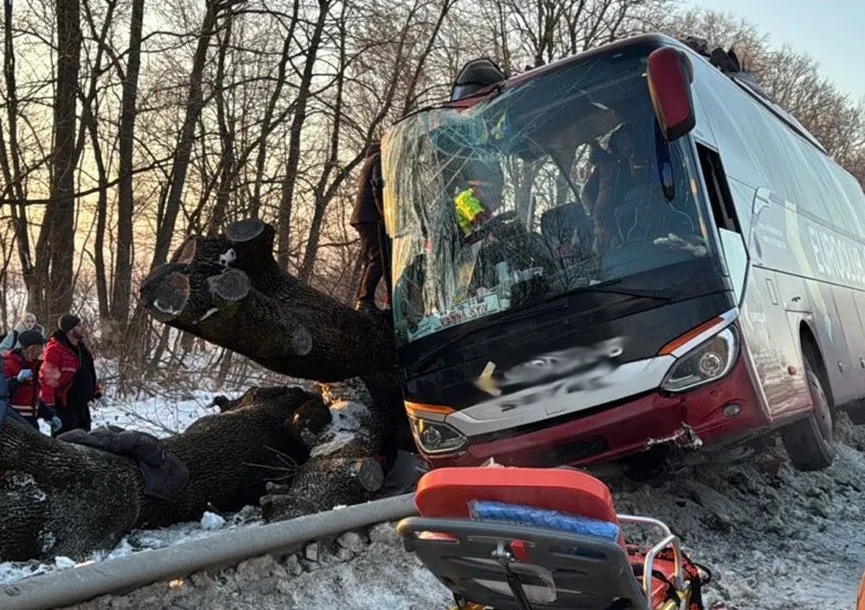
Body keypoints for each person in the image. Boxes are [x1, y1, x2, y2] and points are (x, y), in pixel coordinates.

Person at [39, 314, 102, 436]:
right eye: (78, 325)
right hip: (64, 407)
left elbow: (88, 372)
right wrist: (49, 406)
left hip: (82, 406)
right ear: (69, 329)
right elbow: (47, 378)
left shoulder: (81, 348)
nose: (82, 327)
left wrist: (96, 391)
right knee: (65, 441)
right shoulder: (54, 349)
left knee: (86, 440)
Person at [350, 141, 387, 314]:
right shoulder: (378, 159)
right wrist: (383, 212)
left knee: (370, 260)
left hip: (361, 218)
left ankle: (362, 301)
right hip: (369, 216)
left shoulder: (367, 163)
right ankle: (365, 301)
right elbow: (377, 186)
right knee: (379, 258)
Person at [3, 329, 61, 432]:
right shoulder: (9, 364)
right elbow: (3, 393)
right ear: (31, 348)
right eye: (40, 347)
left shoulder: (33, 366)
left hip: (31, 424)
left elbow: (34, 399)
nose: (42, 351)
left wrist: (50, 415)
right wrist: (16, 380)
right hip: (14, 424)